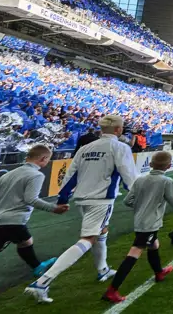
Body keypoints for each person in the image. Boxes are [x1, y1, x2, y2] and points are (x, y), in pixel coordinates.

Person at [26, 115, 138, 304]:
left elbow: (71, 175)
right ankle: (43, 282)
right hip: (101, 199)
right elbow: (129, 175)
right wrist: (137, 195)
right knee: (88, 239)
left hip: (82, 198)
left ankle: (102, 269)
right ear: (119, 130)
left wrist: (63, 197)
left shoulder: (86, 148)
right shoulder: (120, 147)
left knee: (101, 232)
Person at [101, 152, 173, 304]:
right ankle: (112, 290)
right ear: (169, 166)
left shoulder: (140, 179)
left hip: (141, 221)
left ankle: (159, 272)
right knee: (135, 252)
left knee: (154, 244)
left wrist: (141, 207)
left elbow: (127, 200)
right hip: (149, 224)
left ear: (151, 164)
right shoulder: (166, 181)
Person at [0, 145, 67, 278]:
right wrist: (54, 208)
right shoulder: (36, 175)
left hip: (1, 218)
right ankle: (37, 267)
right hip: (14, 219)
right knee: (23, 241)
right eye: (48, 159)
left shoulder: (8, 174)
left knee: (25, 241)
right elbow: (31, 199)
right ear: (44, 158)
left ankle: (37, 267)